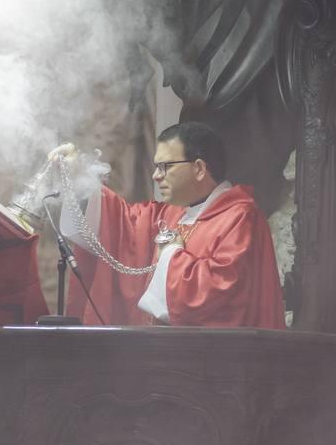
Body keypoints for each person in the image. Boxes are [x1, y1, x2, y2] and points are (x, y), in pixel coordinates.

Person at [50, 121, 285, 328]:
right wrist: (79, 178)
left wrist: (171, 252)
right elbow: (120, 224)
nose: (156, 176)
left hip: (216, 364)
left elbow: (220, 294)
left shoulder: (240, 218)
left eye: (165, 166)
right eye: (155, 167)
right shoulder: (171, 215)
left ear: (199, 168)